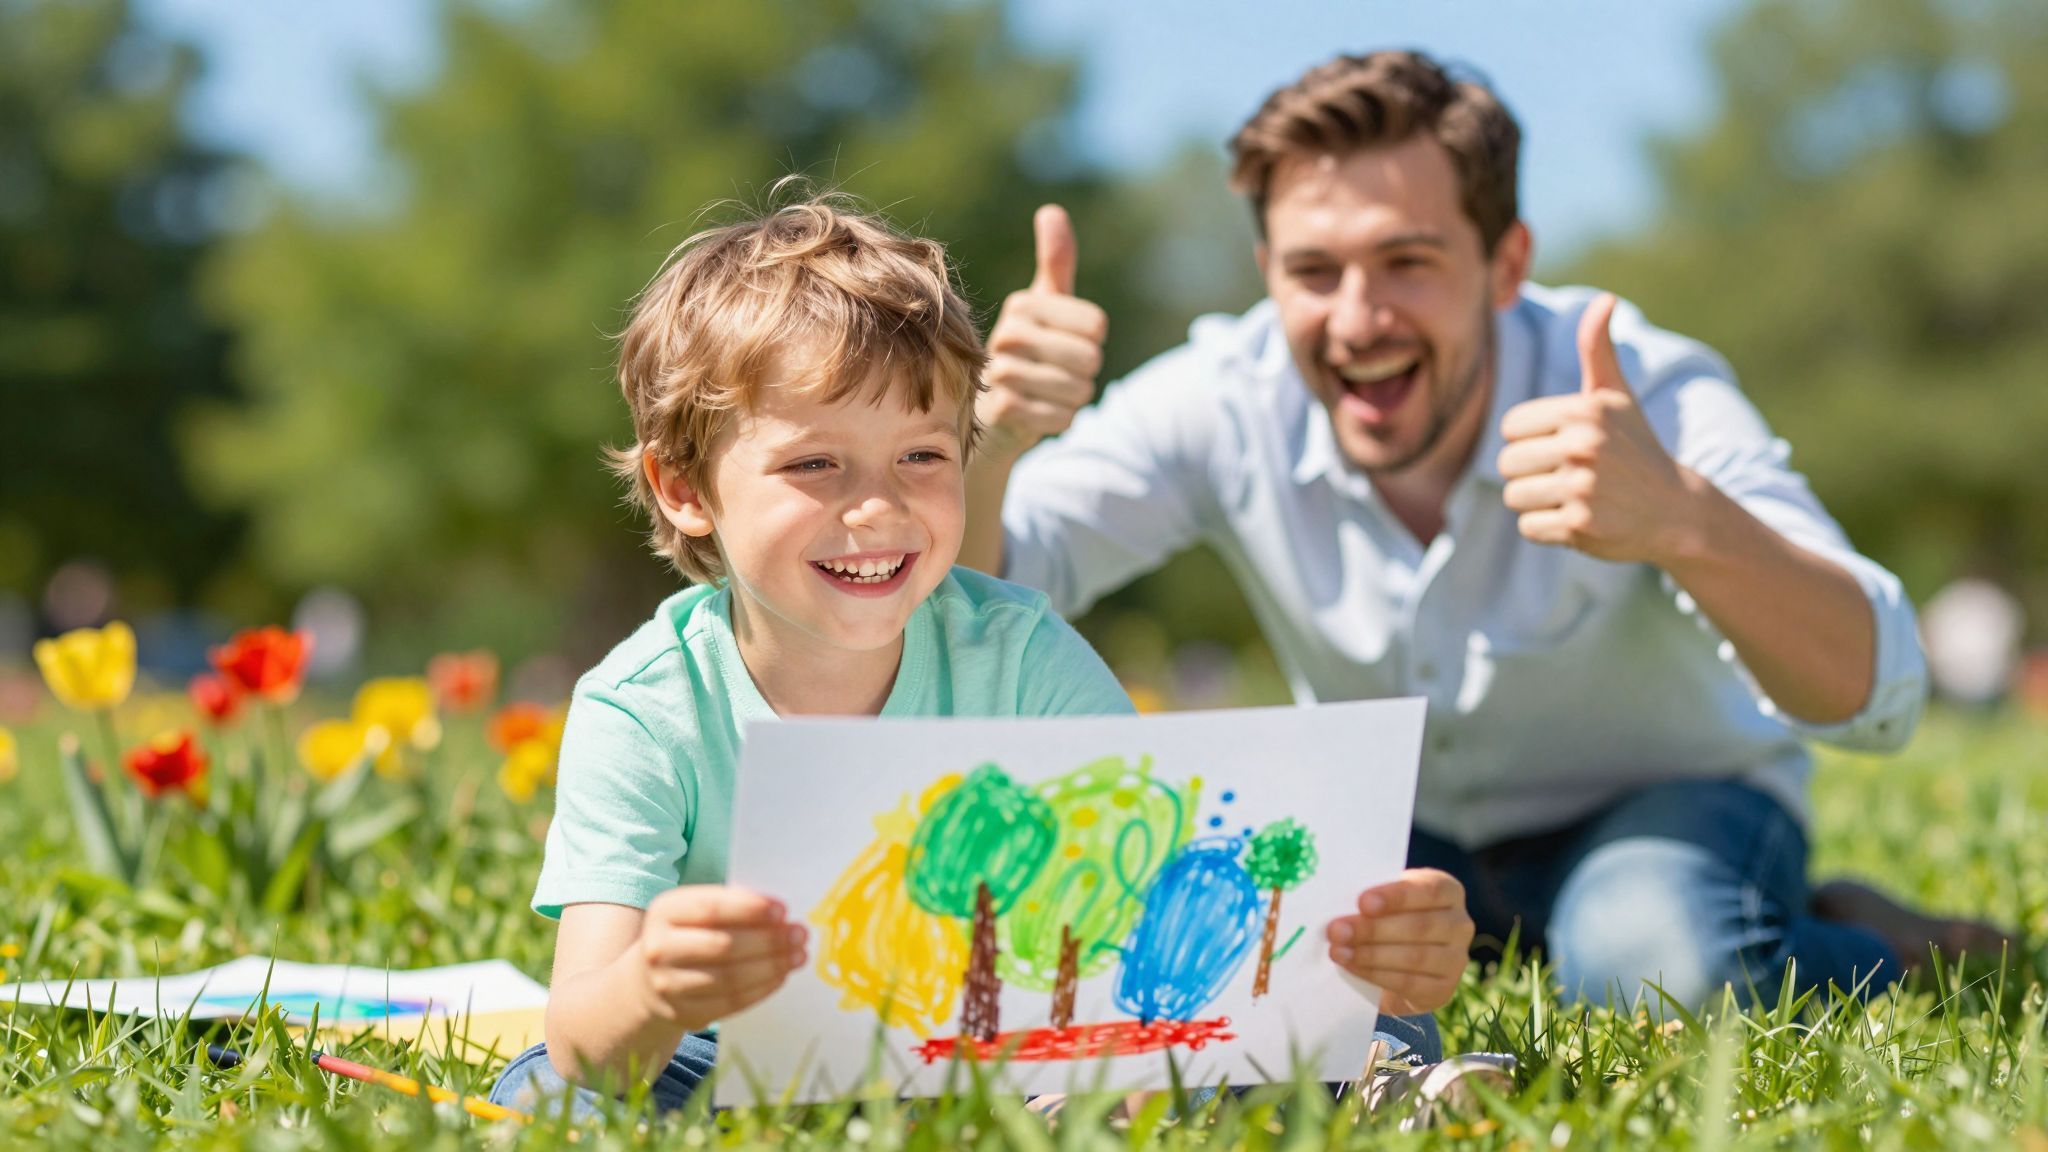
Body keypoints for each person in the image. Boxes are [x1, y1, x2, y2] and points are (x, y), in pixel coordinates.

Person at [960, 50, 2008, 1012]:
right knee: (1222, 960)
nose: (1357, 317)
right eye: (1313, 271)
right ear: (1265, 268)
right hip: (1399, 832)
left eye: (1406, 261)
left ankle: (1886, 942)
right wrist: (993, 444)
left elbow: (1878, 692)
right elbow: (991, 590)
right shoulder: (1221, 397)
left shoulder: (1639, 385)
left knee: (1653, 967)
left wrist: (1683, 522)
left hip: (1663, 805)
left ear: (1506, 265)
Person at [487, 191, 1481, 1120]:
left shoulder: (1019, 653)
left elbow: (1157, 907)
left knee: (1356, 1007)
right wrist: (654, 987)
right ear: (683, 488)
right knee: (550, 1092)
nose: (875, 508)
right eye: (813, 464)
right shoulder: (642, 712)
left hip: (1016, 1051)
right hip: (733, 1058)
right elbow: (581, 1034)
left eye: (920, 457)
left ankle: (1390, 1071)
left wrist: (1380, 959)